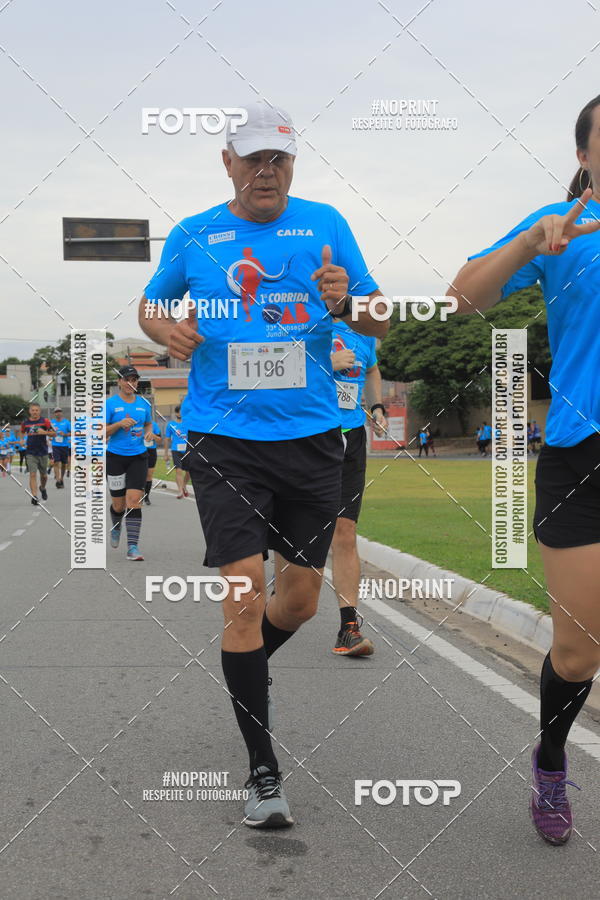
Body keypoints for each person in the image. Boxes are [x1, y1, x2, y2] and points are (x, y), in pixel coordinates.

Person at [138, 100, 388, 828]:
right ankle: (263, 773)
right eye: (253, 158)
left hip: (312, 439)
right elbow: (151, 308)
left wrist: (350, 304)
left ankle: (243, 664)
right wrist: (167, 330)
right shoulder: (194, 234)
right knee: (244, 593)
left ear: (293, 165)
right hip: (223, 439)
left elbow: (378, 315)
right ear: (228, 164)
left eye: (278, 158)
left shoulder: (327, 224)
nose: (266, 170)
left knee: (301, 603)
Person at [447, 94, 600, 846]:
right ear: (584, 157)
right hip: (583, 452)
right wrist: (526, 249)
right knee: (578, 650)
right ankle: (548, 760)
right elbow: (463, 298)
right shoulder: (561, 229)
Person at [330, 318, 387, 657]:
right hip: (307, 435)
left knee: (345, 530)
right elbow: (278, 367)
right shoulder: (304, 321)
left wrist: (376, 406)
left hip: (351, 437)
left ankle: (348, 627)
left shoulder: (363, 332)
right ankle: (286, 595)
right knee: (296, 530)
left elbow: (372, 370)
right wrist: (327, 363)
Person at [104, 365, 153, 561]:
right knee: (119, 504)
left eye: (133, 380)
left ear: (136, 383)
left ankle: (133, 547)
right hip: (115, 458)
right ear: (119, 382)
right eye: (126, 379)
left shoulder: (143, 404)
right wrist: (117, 424)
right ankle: (116, 525)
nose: (130, 383)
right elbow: (101, 432)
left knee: (134, 501)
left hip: (138, 457)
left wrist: (149, 431)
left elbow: (148, 423)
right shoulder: (109, 404)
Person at [20, 402, 55, 505]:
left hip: (43, 452)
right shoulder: (25, 423)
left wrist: (43, 432)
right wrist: (22, 440)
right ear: (29, 411)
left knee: (44, 476)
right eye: (32, 410)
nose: (34, 412)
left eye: (36, 410)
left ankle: (42, 488)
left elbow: (54, 433)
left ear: (39, 411)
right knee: (33, 474)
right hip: (30, 453)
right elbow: (21, 432)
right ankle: (34, 496)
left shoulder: (45, 421)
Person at [164, 406, 190, 499]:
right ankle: (180, 491)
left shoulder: (188, 423)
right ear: (176, 413)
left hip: (187, 450)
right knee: (178, 470)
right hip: (175, 450)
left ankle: (184, 485)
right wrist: (166, 453)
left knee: (189, 472)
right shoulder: (171, 425)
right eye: (179, 412)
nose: (181, 414)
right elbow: (167, 439)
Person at [144, 414, 162, 505]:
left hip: (151, 451)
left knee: (149, 475)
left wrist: (153, 436)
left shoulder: (154, 425)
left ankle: (146, 497)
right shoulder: (136, 424)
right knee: (139, 474)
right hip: (138, 451)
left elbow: (159, 440)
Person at [50, 407, 71, 488]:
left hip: (65, 446)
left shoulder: (66, 422)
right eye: (56, 412)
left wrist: (65, 434)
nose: (58, 413)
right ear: (54, 414)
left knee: (63, 464)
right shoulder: (52, 423)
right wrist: (52, 434)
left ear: (61, 413)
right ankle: (58, 480)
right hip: (55, 445)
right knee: (56, 462)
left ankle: (61, 478)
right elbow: (48, 432)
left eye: (59, 411)